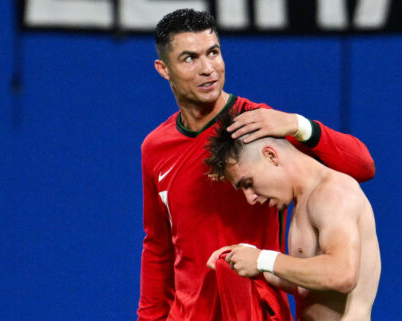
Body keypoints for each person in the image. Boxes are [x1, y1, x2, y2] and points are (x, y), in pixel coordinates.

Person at [138, 8, 376, 321]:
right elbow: (158, 248)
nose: (208, 68)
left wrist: (297, 124)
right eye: (190, 58)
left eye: (213, 52)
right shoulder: (155, 149)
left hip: (255, 312)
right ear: (163, 68)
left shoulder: (259, 125)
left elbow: (362, 166)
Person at [205, 108, 381, 321]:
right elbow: (310, 289)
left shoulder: (333, 191)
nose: (250, 198)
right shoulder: (302, 202)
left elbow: (342, 274)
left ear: (271, 155)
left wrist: (263, 259)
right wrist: (247, 260)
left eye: (248, 184)